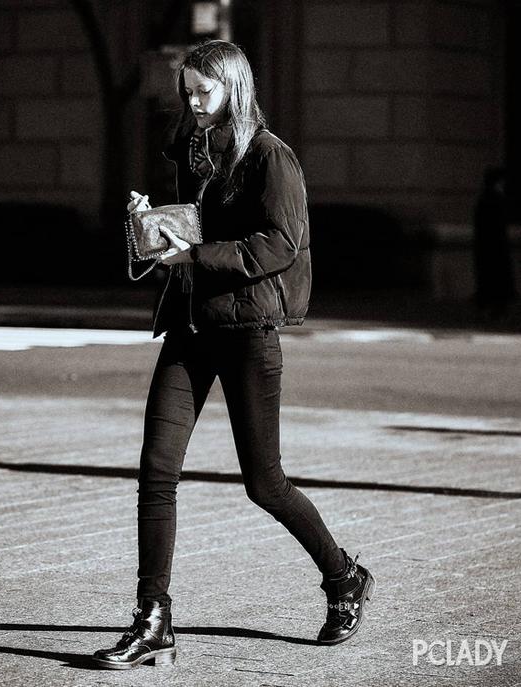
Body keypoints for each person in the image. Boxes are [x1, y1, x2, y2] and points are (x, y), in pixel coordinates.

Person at [93, 40, 374, 670]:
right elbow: (198, 231)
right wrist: (154, 226)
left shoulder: (271, 156)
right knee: (156, 472)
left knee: (264, 483)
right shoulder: (192, 152)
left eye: (204, 91)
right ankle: (153, 618)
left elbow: (279, 243)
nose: (193, 103)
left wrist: (195, 255)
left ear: (234, 87)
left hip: (248, 332)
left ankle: (343, 575)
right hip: (190, 329)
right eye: (187, 91)